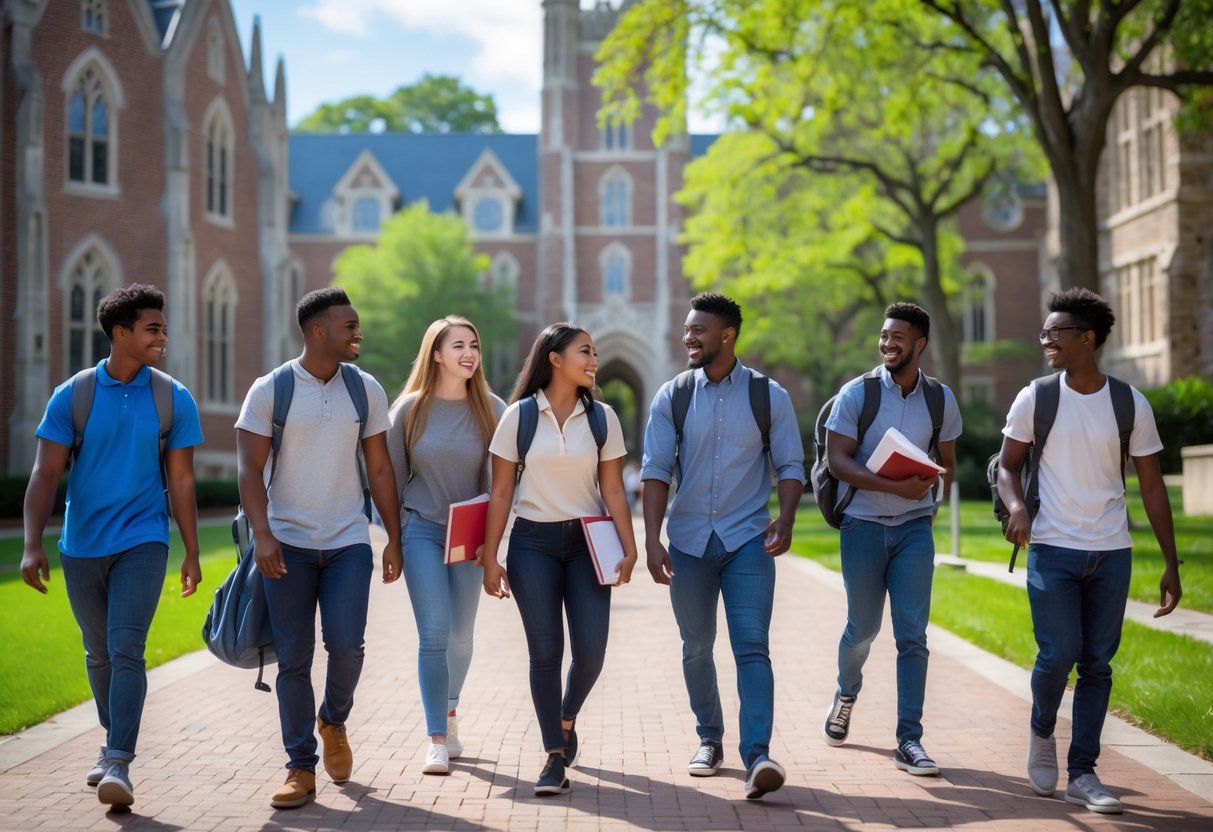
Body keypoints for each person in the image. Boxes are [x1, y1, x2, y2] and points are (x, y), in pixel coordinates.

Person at [997, 288, 1181, 814]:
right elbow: (1008, 465)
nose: (1046, 341)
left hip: (1111, 553)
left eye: (1055, 333)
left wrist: (1171, 563)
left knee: (1098, 664)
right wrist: (1017, 508)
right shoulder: (1036, 397)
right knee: (1059, 654)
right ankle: (1040, 732)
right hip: (1052, 547)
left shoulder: (1129, 403)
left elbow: (1151, 487)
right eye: (1045, 332)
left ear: (1087, 338)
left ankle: (1083, 771)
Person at [21, 283, 204, 808]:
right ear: (120, 333)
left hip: (143, 539)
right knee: (98, 654)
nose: (163, 337)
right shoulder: (73, 395)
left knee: (126, 649)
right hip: (81, 545)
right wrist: (33, 544)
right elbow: (45, 472)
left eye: (164, 329)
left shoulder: (173, 397)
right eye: (153, 329)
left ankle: (119, 760)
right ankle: (110, 743)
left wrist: (191, 551)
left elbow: (184, 481)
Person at [235, 287, 402, 809]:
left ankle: (333, 719)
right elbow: (248, 469)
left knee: (348, 646)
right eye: (349, 325)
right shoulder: (271, 389)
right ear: (317, 332)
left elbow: (378, 467)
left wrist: (393, 536)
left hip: (348, 539)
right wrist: (263, 535)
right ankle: (299, 767)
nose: (358, 332)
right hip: (287, 543)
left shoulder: (365, 389)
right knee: (293, 658)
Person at [640, 292, 805, 801]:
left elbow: (792, 465)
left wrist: (788, 519)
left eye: (698, 330)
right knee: (696, 647)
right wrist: (651, 538)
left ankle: (757, 755)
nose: (688, 337)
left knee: (752, 646)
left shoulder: (768, 396)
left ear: (727, 335)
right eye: (687, 329)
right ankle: (709, 739)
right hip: (688, 542)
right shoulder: (673, 395)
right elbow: (655, 470)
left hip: (747, 542)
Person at [481, 323, 638, 796]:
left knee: (590, 652)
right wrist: (491, 557)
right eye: (585, 352)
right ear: (554, 358)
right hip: (532, 545)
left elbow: (612, 487)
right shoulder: (520, 417)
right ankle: (554, 756)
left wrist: (630, 548)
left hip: (589, 546)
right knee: (545, 653)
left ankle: (565, 719)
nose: (594, 360)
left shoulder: (602, 418)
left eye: (593, 353)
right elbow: (502, 490)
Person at [821, 301, 961, 777]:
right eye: (884, 336)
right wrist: (891, 484)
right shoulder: (856, 394)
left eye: (897, 337)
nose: (887, 343)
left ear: (919, 344)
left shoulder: (940, 399)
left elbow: (949, 466)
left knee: (912, 636)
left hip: (914, 530)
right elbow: (837, 460)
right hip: (862, 526)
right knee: (862, 629)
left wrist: (927, 480)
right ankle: (846, 692)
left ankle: (910, 739)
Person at [386, 316, 506, 775]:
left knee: (461, 634)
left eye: (473, 344)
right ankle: (437, 737)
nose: (468, 353)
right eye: (458, 345)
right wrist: (393, 542)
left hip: (471, 536)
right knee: (434, 631)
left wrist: (491, 546)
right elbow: (392, 482)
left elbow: (500, 484)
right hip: (421, 529)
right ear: (436, 354)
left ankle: (451, 708)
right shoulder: (409, 410)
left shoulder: (492, 408)